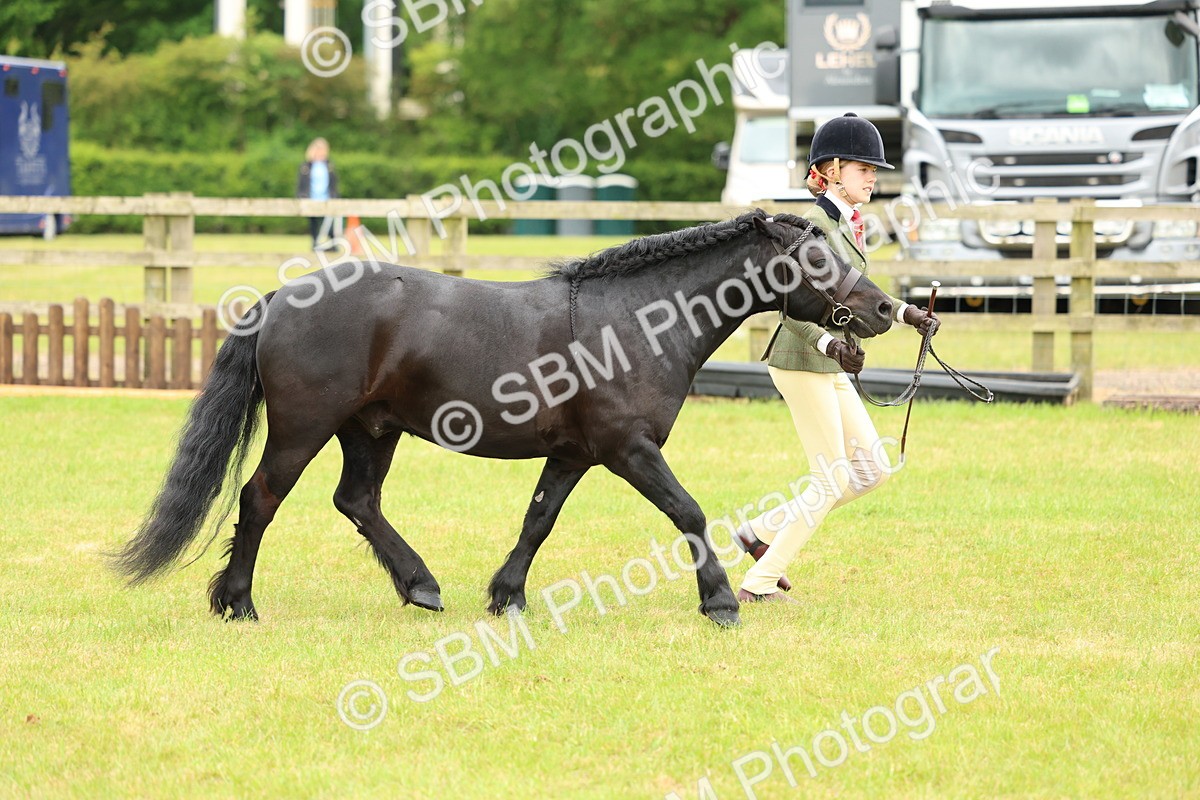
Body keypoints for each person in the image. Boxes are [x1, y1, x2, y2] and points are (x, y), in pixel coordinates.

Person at [734, 112, 938, 603]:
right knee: (831, 480)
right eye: (864, 168)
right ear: (830, 169)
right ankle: (758, 585)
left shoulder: (848, 222)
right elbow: (790, 309)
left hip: (834, 362)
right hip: (802, 359)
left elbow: (856, 291)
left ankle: (758, 532)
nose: (873, 177)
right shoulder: (814, 227)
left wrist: (909, 314)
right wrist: (829, 344)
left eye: (874, 170)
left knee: (872, 469)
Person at [296, 137, 340, 251]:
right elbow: (301, 183)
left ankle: (332, 245)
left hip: (327, 199)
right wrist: (302, 196)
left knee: (329, 223)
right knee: (314, 224)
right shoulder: (306, 166)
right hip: (311, 198)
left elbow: (334, 183)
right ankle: (315, 244)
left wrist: (334, 196)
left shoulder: (329, 165)